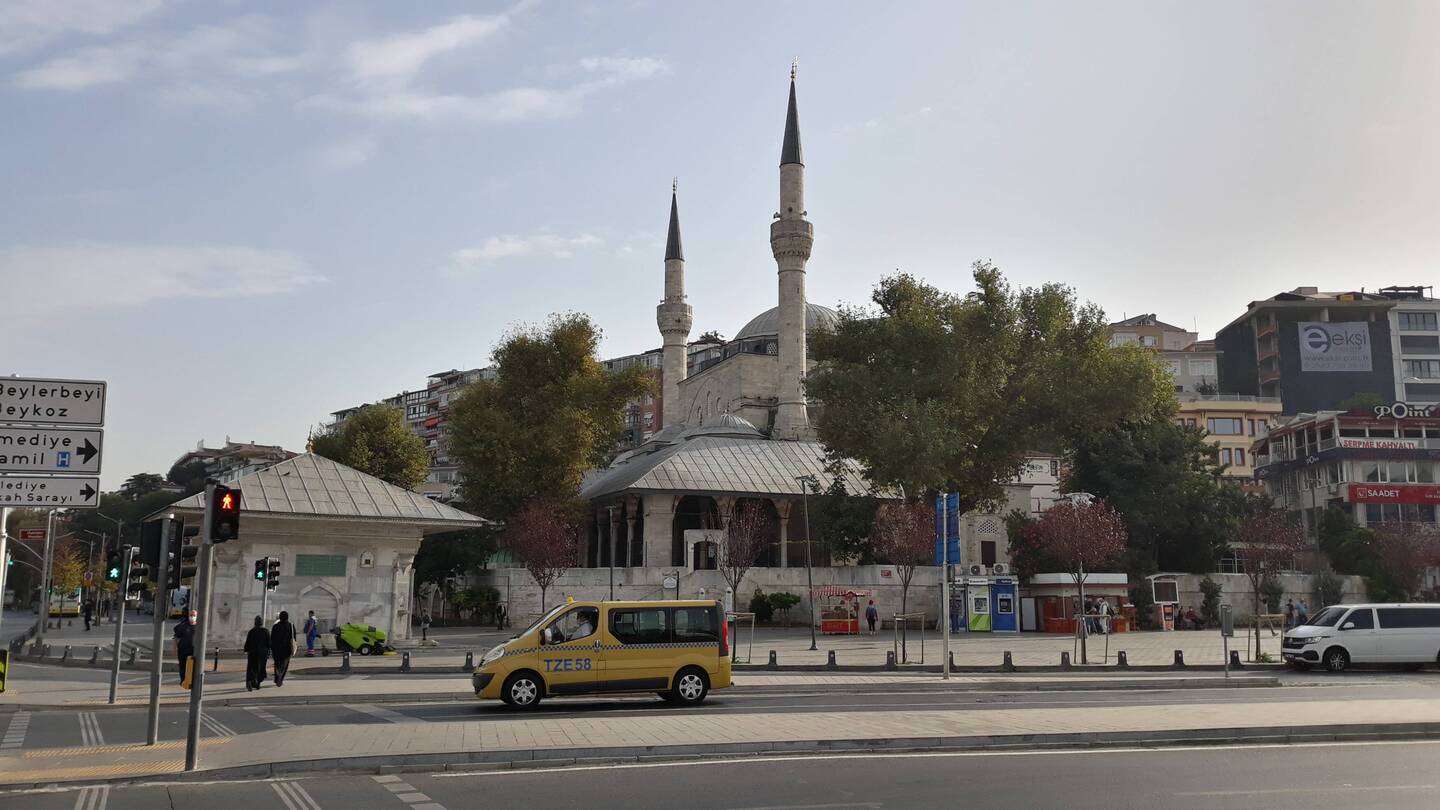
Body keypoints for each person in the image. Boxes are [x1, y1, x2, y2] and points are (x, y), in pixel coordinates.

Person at [271, 610, 297, 687]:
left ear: (280, 617)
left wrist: (271, 647)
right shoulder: (291, 626)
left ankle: (277, 678)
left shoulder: (275, 626)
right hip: (287, 649)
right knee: (284, 665)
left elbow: (272, 638)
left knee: (277, 664)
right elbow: (294, 637)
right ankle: (280, 678)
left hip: (276, 649)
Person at [244, 616, 270, 691]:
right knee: (260, 668)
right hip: (262, 653)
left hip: (252, 652)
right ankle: (257, 684)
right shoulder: (266, 631)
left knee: (251, 668)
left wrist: (246, 649)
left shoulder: (251, 631)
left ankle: (250, 681)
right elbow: (269, 642)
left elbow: (248, 642)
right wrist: (269, 651)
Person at [173, 617, 195, 688]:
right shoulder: (183, 625)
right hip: (183, 649)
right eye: (191, 615)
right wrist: (174, 648)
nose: (192, 617)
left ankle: (190, 681)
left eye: (194, 615)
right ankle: (183, 680)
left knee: (192, 666)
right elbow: (176, 637)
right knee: (182, 665)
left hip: (193, 650)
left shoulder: (199, 626)